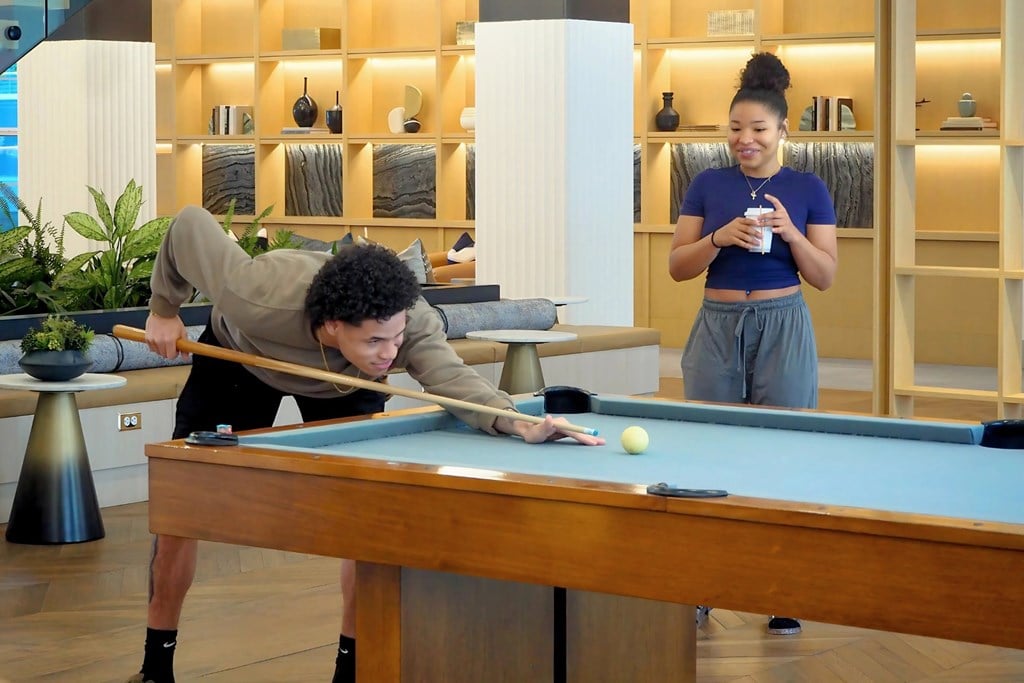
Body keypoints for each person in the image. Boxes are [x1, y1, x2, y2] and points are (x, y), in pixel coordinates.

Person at [126, 205, 604, 683]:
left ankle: (351, 670)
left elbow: (451, 377)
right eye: (376, 340)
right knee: (180, 511)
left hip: (346, 381)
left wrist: (519, 423)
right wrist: (164, 308)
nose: (391, 352)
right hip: (239, 359)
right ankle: (156, 666)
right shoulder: (255, 293)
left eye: (395, 339)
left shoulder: (408, 323)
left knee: (363, 521)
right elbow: (189, 223)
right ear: (334, 325)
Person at [667, 52, 838, 636]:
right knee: (706, 455)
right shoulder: (707, 184)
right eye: (736, 128)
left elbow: (825, 275)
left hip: (783, 324)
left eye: (758, 130)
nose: (745, 139)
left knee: (784, 455)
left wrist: (789, 231)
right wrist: (719, 236)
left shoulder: (807, 187)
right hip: (716, 324)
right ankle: (701, 588)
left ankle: (781, 591)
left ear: (782, 132)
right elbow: (677, 267)